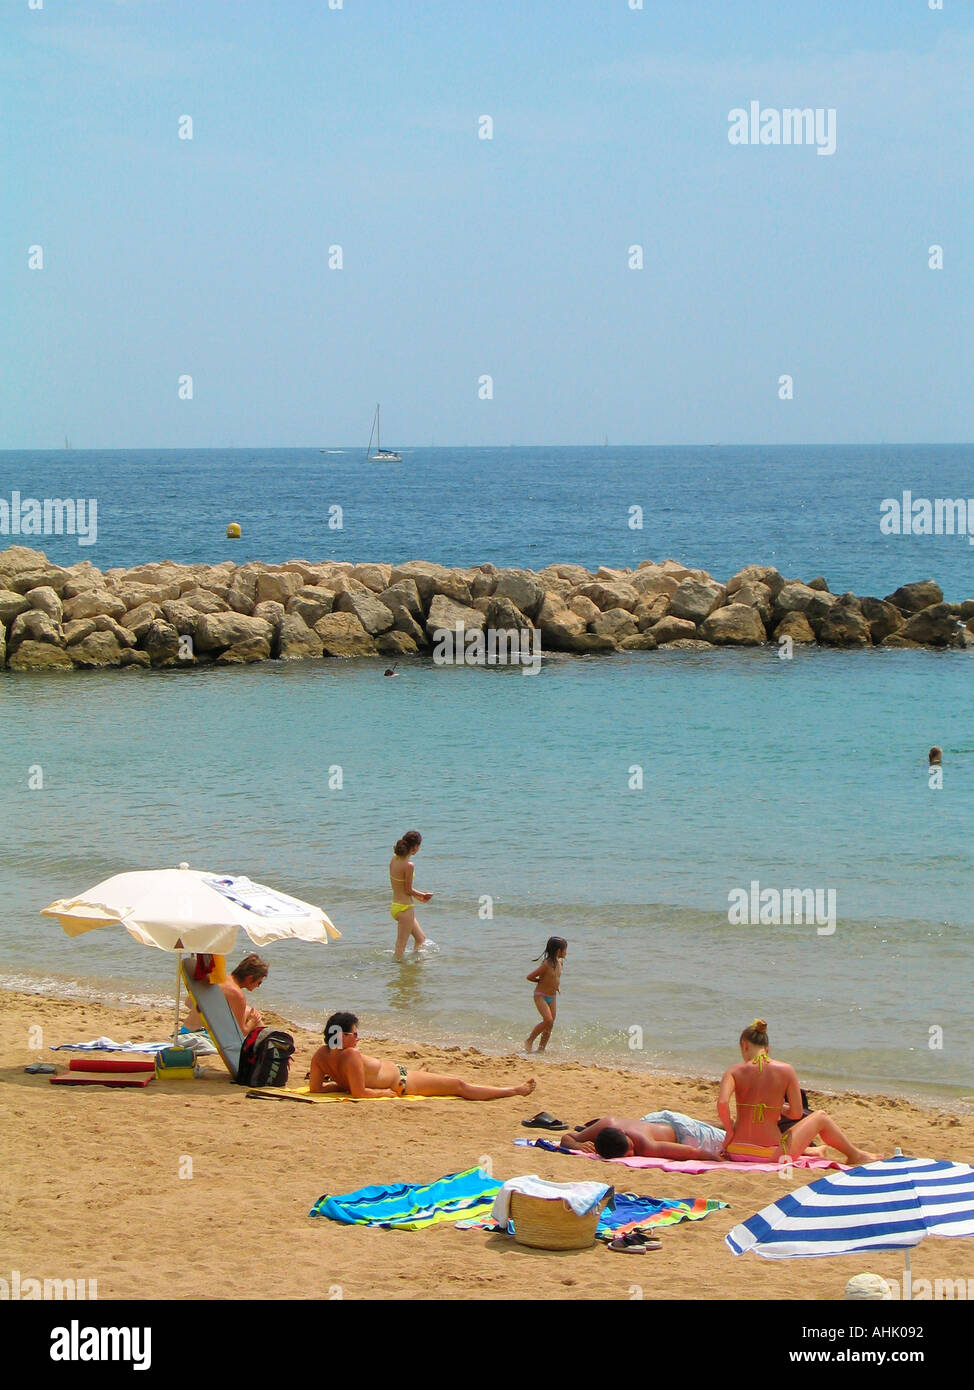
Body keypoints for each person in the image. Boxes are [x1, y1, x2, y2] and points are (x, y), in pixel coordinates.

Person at [717, 1019, 879, 1165]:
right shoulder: (786, 1070)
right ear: (767, 1048)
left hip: (736, 1151)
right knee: (821, 1117)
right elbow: (796, 1114)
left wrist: (730, 1131)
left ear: (744, 1045)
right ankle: (855, 1155)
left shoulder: (733, 1071)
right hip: (771, 1154)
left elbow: (723, 1103)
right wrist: (780, 1107)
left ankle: (814, 1152)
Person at [310, 1012, 537, 1100]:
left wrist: (341, 1086)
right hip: (402, 1082)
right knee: (459, 1085)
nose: (358, 1038)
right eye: (355, 1034)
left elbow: (316, 1089)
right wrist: (383, 1094)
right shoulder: (350, 1054)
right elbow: (360, 1093)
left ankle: (423, 1072)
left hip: (401, 1075)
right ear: (341, 1036)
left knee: (436, 1078)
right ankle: (514, 1090)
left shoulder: (320, 1055)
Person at [560, 1111, 726, 1161]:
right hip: (654, 1119)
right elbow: (568, 1138)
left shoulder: (646, 1145)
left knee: (728, 1138)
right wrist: (578, 1145)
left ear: (623, 1133)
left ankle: (725, 1124)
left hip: (684, 1130)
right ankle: (718, 1123)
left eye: (631, 1149)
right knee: (708, 1126)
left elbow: (691, 1151)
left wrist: (717, 1159)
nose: (633, 1154)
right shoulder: (607, 1123)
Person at [185, 953, 268, 1034]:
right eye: (259, 982)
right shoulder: (237, 995)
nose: (258, 986)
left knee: (248, 1010)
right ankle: (270, 1040)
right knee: (252, 1015)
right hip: (202, 1037)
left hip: (185, 1031)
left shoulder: (216, 978)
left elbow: (188, 1003)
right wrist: (253, 1022)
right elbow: (240, 1032)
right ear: (250, 978)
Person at [389, 829, 432, 960]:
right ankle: (396, 974)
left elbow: (402, 887)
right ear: (415, 847)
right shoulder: (409, 865)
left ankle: (414, 971)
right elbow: (408, 890)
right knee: (400, 947)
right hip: (405, 908)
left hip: (396, 906)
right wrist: (423, 895)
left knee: (421, 939)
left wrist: (419, 896)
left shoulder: (394, 858)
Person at [525, 936, 567, 1052]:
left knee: (550, 1024)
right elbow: (530, 977)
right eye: (565, 950)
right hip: (541, 995)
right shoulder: (546, 964)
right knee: (547, 1020)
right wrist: (540, 981)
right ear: (559, 951)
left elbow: (555, 977)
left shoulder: (560, 963)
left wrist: (556, 986)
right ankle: (529, 1040)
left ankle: (541, 1049)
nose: (566, 952)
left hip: (552, 997)